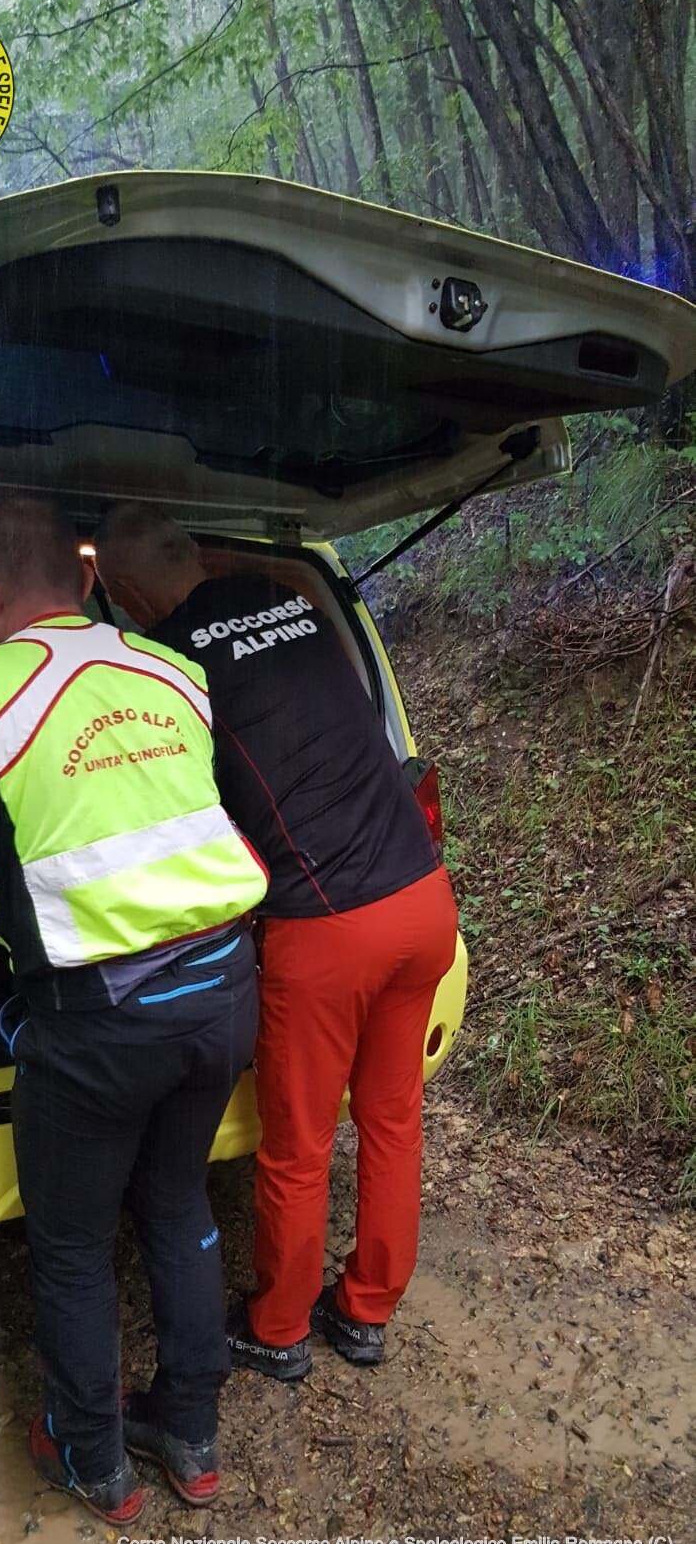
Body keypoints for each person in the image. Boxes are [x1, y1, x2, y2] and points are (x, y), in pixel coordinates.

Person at [0, 497, 268, 1521]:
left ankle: (91, 1456)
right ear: (86, 581)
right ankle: (191, 1435)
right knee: (176, 1205)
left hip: (100, 1021)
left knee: (75, 1244)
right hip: (222, 989)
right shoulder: (171, 669)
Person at [96, 506, 458, 1381]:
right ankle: (367, 1310)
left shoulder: (163, 664)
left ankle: (281, 1326)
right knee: (392, 1117)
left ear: (125, 590)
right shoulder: (280, 595)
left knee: (296, 1145)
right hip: (424, 898)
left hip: (328, 927)